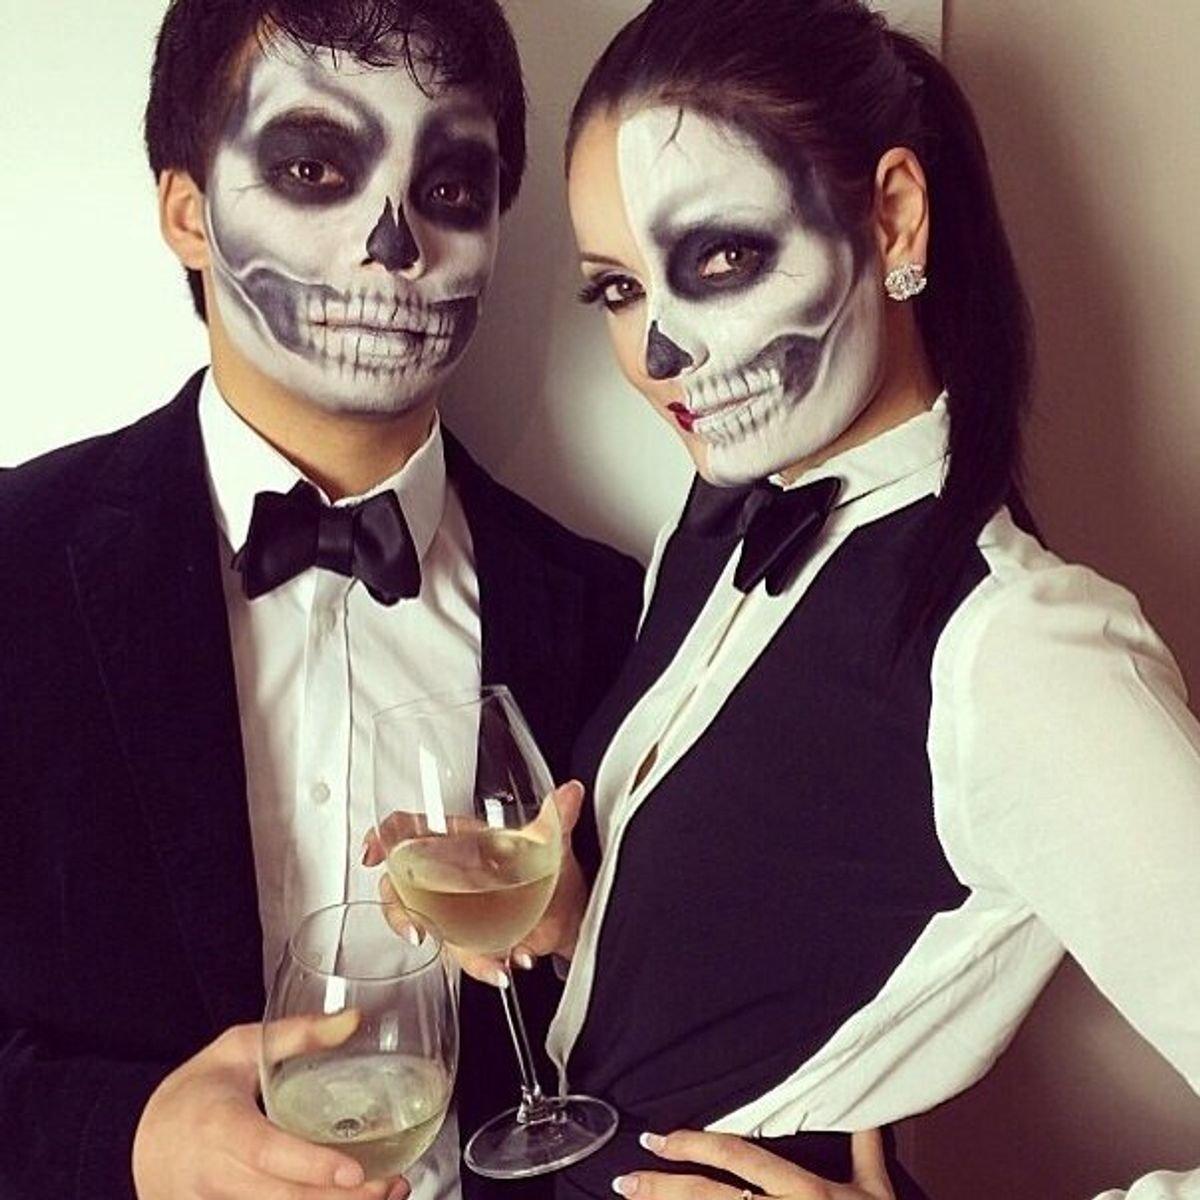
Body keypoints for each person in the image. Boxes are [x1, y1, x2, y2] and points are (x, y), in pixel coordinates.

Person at [488, 1, 1200, 1197]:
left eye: (720, 259)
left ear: (894, 216)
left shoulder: (1018, 648)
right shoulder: (719, 514)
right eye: (615, 289)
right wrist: (572, 921)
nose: (657, 355)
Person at [0, 2, 641, 1199]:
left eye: (449, 188)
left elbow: (702, 1032)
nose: (394, 243)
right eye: (312, 169)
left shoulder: (615, 616)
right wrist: (128, 1140)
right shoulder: (15, 571)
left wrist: (581, 935)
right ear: (186, 211)